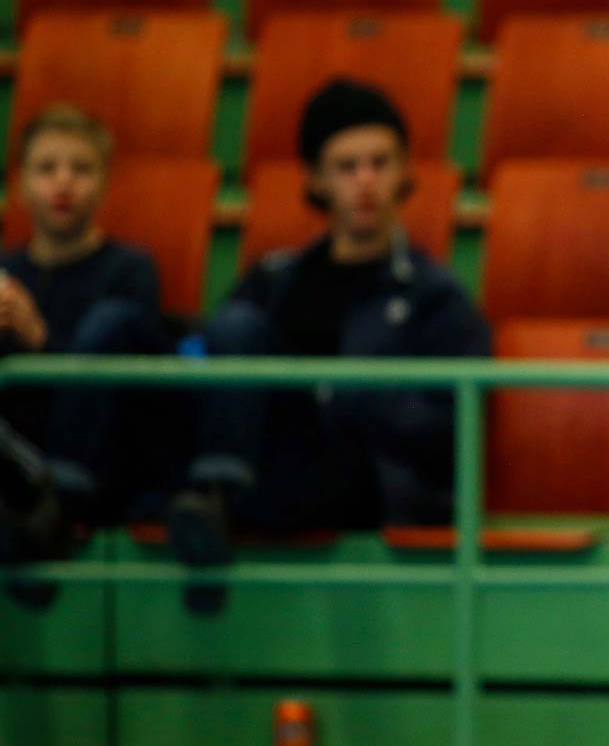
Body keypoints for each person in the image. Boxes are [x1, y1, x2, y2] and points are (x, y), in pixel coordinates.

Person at [166, 79, 490, 565]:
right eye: (347, 166)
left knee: (240, 328)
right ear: (317, 179)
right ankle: (207, 494)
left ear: (403, 172)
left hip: (363, 479)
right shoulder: (273, 280)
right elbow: (203, 357)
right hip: (272, 463)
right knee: (195, 330)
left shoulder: (434, 296)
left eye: (380, 163)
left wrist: (349, 400)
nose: (365, 181)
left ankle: (215, 497)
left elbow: (452, 423)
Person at [0, 105, 171, 560]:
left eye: (81, 169)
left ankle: (57, 501)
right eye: (46, 168)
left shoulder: (130, 270)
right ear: (19, 187)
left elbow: (125, 392)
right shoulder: (7, 274)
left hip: (105, 463)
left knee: (109, 322)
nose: (63, 182)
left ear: (104, 185)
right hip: (20, 451)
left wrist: (39, 339)